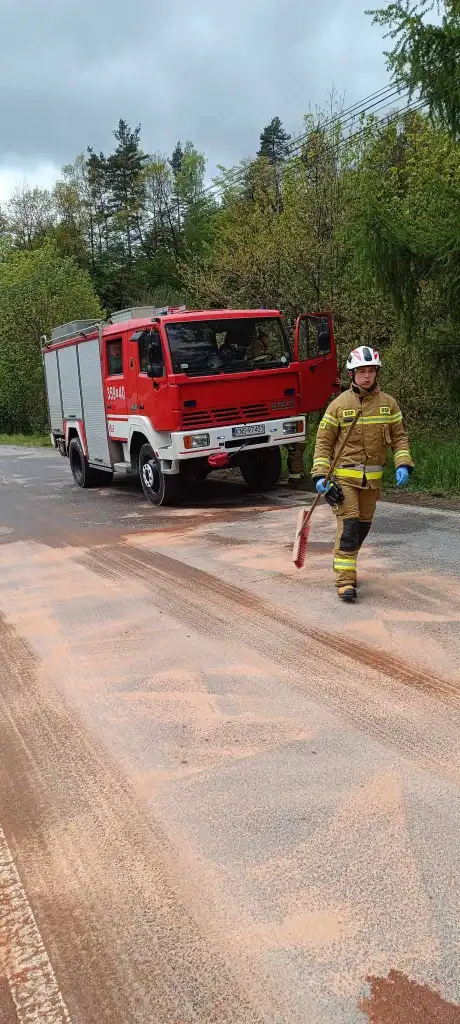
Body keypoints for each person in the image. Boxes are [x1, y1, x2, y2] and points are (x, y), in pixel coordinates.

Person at [311, 345, 414, 602]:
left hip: (372, 482)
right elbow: (323, 443)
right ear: (351, 374)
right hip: (345, 478)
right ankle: (345, 581)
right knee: (349, 526)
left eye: (371, 371)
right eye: (361, 371)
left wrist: (403, 463)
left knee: (362, 529)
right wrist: (320, 477)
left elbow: (399, 438)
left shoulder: (388, 405)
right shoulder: (338, 406)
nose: (367, 376)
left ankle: (344, 561)